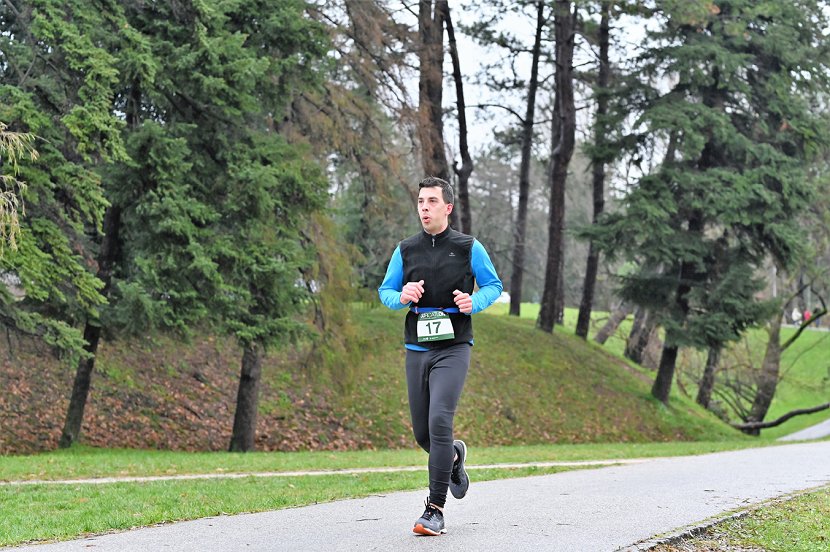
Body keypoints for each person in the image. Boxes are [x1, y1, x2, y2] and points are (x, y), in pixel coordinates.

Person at [378, 176, 502, 536]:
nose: (424, 208)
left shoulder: (468, 247)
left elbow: (493, 285)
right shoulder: (405, 249)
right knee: (423, 434)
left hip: (454, 346)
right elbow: (386, 292)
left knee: (439, 421)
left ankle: (434, 509)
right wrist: (402, 296)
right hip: (417, 347)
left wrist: (473, 301)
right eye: (420, 202)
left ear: (447, 207)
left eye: (432, 201)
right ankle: (453, 456)